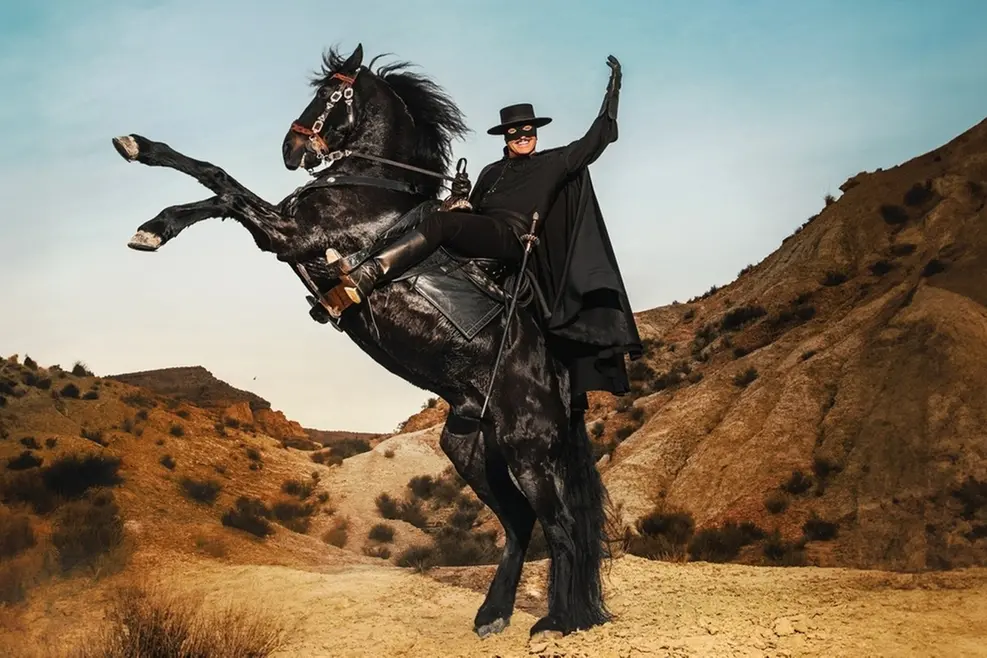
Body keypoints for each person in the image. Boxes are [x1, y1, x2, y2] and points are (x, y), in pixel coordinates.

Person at [326, 54, 642, 401]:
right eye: (515, 132)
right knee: (428, 214)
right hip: (483, 228)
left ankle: (369, 273)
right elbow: (470, 212)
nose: (523, 136)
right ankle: (351, 283)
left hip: (511, 237)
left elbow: (598, 138)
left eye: (528, 131)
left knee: (442, 223)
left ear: (535, 133)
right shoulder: (490, 172)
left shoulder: (555, 162)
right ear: (505, 136)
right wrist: (459, 197)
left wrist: (613, 90)